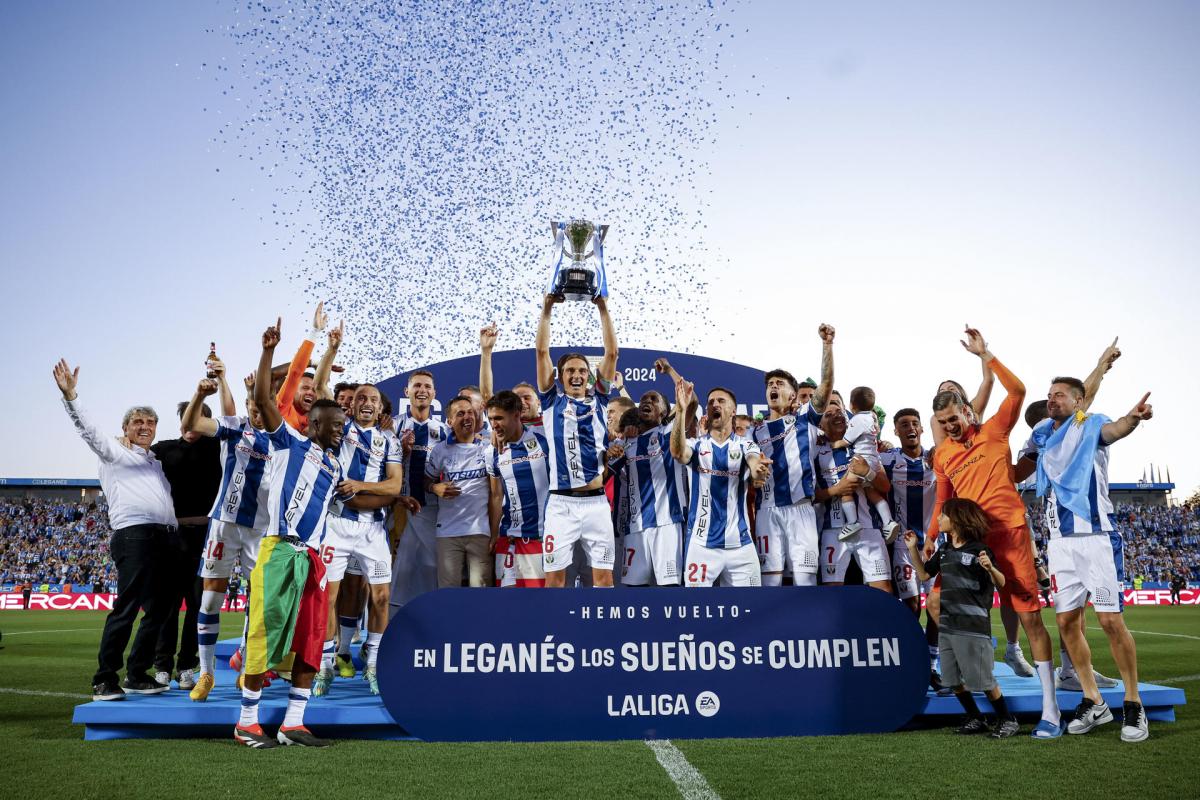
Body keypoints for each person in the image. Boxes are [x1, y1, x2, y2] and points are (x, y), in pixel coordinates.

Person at [927, 326, 1062, 739]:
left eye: (954, 418)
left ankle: (1051, 709)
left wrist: (986, 356)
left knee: (1030, 618)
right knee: (936, 603)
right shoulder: (944, 454)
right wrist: (931, 533)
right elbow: (942, 501)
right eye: (943, 422)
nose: (949, 427)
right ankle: (979, 703)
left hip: (1012, 536)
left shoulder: (994, 430)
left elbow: (1018, 391)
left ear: (968, 410)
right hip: (968, 546)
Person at [236, 317, 347, 749]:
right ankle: (246, 721)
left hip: (314, 558)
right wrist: (268, 352)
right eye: (334, 425)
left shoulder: (336, 466)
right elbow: (264, 399)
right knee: (264, 633)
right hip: (279, 550)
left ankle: (293, 723)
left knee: (312, 638)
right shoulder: (287, 443)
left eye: (342, 425)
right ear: (314, 424)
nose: (340, 430)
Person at [1025, 376, 1153, 742]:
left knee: (1110, 621)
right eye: (1049, 396)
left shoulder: (1089, 425)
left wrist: (1134, 417)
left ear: (1079, 401)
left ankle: (1133, 703)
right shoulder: (1044, 437)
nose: (1051, 400)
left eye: (1059, 395)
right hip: (1061, 544)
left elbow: (1116, 430)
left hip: (1096, 538)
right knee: (1066, 623)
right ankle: (1093, 699)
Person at [55, 359, 177, 701]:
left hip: (165, 538)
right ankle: (105, 677)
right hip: (136, 537)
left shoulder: (155, 463)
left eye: (150, 422)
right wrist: (71, 397)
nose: (145, 426)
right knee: (127, 607)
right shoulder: (114, 452)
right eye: (137, 421)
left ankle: (137, 673)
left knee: (161, 610)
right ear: (125, 428)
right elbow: (88, 431)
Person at [178, 372, 271, 701]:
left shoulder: (282, 438)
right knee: (210, 600)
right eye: (253, 406)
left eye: (264, 406)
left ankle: (247, 666)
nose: (258, 412)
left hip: (260, 531)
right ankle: (206, 674)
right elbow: (192, 423)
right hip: (224, 525)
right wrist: (200, 394)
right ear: (247, 406)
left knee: (257, 604)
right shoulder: (235, 429)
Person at [315, 383, 403, 696]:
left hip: (373, 531)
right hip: (336, 527)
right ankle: (326, 665)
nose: (366, 403)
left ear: (381, 409)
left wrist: (357, 484)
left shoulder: (390, 441)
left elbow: (394, 487)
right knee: (328, 599)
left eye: (373, 400)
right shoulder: (339, 431)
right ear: (351, 405)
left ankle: (374, 663)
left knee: (380, 598)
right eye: (361, 398)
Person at [905, 499, 1019, 738]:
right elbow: (925, 573)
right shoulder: (945, 551)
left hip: (973, 625)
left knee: (984, 680)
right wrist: (912, 549)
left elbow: (1002, 583)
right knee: (952, 678)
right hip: (948, 625)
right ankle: (976, 718)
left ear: (957, 520)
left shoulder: (979, 550)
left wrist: (990, 568)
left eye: (943, 515)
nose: (938, 519)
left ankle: (1007, 720)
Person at [150, 374, 233, 691]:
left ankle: (186, 666)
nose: (189, 425)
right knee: (168, 605)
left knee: (198, 603)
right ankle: (161, 665)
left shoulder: (219, 448)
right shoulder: (163, 449)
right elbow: (129, 455)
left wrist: (221, 380)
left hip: (206, 536)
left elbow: (231, 419)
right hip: (171, 537)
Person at [534, 294, 619, 588]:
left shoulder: (601, 399)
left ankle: (602, 634)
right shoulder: (550, 402)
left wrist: (602, 307)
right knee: (555, 581)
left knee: (604, 580)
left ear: (589, 375)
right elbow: (542, 351)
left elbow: (611, 354)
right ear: (561, 376)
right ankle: (555, 633)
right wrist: (547, 309)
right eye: (570, 370)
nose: (577, 375)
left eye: (582, 370)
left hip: (596, 504)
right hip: (560, 505)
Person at [750, 325, 835, 587]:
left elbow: (826, 385)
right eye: (770, 385)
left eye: (780, 384)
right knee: (771, 584)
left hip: (801, 511)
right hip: (767, 512)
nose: (773, 387)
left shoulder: (805, 419)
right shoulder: (754, 433)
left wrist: (827, 345)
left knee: (805, 581)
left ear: (792, 395)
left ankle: (807, 629)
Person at [670, 376, 771, 587]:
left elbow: (754, 463)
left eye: (721, 401)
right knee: (697, 613)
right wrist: (680, 410)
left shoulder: (746, 445)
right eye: (711, 402)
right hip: (702, 546)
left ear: (733, 411)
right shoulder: (696, 446)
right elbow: (678, 452)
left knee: (751, 614)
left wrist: (758, 471)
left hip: (740, 546)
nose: (715, 404)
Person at [879, 409, 939, 687]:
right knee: (912, 604)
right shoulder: (889, 460)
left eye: (915, 423)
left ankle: (932, 662)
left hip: (935, 543)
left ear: (922, 430)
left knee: (937, 607)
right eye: (904, 424)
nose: (911, 428)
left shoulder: (936, 459)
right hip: (904, 545)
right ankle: (912, 658)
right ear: (896, 431)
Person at [812, 394, 894, 593]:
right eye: (828, 413)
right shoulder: (814, 450)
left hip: (869, 529)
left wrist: (868, 472)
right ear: (820, 422)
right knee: (832, 592)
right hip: (834, 531)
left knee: (883, 591)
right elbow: (810, 495)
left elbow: (885, 486)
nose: (836, 415)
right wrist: (835, 490)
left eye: (839, 410)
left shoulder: (863, 445)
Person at [608, 388, 686, 586]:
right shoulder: (626, 442)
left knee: (669, 587)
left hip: (667, 523)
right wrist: (610, 452)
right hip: (635, 526)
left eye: (654, 399)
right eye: (643, 398)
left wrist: (671, 374)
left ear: (663, 413)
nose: (647, 401)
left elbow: (690, 404)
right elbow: (604, 475)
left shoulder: (669, 434)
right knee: (634, 589)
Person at [389, 369, 447, 615]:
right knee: (395, 571)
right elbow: (379, 466)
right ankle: (386, 630)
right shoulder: (392, 425)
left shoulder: (445, 430)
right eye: (417, 386)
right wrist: (400, 450)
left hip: (432, 512)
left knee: (431, 568)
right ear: (407, 392)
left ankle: (430, 621)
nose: (422, 390)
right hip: (398, 510)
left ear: (434, 394)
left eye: (427, 386)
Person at [426, 396, 494, 587]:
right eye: (460, 413)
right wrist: (434, 487)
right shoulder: (441, 450)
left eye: (470, 412)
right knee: (448, 595)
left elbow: (497, 493)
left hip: (480, 531)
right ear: (449, 421)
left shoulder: (488, 448)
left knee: (480, 596)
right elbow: (426, 480)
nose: (467, 417)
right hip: (448, 533)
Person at [486, 391, 550, 588]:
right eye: (490, 419)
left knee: (539, 605)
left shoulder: (544, 440)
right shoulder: (492, 451)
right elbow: (496, 496)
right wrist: (495, 534)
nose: (494, 425)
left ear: (516, 415)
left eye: (499, 418)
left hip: (540, 537)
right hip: (508, 539)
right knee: (507, 606)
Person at [833, 386, 901, 544]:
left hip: (861, 459)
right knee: (871, 491)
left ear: (850, 406)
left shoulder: (856, 420)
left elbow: (846, 441)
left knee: (846, 489)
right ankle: (888, 521)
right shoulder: (872, 416)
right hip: (874, 458)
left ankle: (852, 523)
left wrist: (832, 444)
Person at [274, 302, 341, 434]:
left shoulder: (319, 421)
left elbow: (322, 384)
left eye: (313, 390)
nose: (310, 392)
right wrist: (315, 332)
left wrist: (332, 350)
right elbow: (295, 373)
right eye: (305, 388)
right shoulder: (282, 408)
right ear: (293, 392)